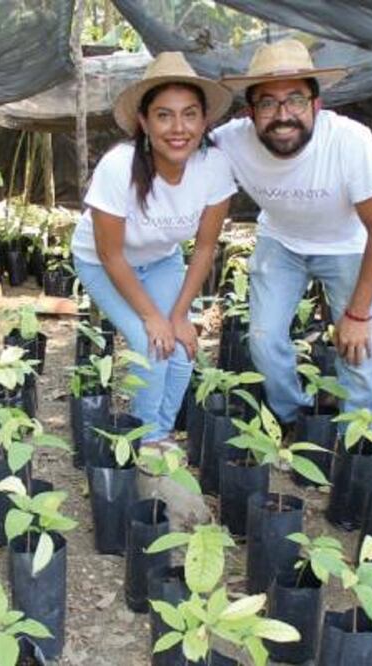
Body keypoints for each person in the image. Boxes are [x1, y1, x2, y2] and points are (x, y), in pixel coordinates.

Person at [213, 39, 372, 426]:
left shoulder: (350, 142)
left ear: (317, 105)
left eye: (295, 100)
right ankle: (294, 418)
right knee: (263, 340)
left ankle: (363, 437)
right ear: (250, 112)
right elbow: (176, 152)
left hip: (348, 245)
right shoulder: (230, 141)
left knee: (357, 346)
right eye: (267, 103)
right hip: (280, 241)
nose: (283, 115)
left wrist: (359, 314)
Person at [72, 51, 237, 444]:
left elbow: (204, 248)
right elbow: (111, 255)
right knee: (152, 346)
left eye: (189, 114)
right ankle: (143, 442)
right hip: (103, 264)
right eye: (164, 115)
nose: (177, 127)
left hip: (162, 261)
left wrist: (179, 315)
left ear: (204, 121)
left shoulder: (214, 166)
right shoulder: (118, 167)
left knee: (181, 349)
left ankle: (158, 435)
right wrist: (152, 316)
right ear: (144, 122)